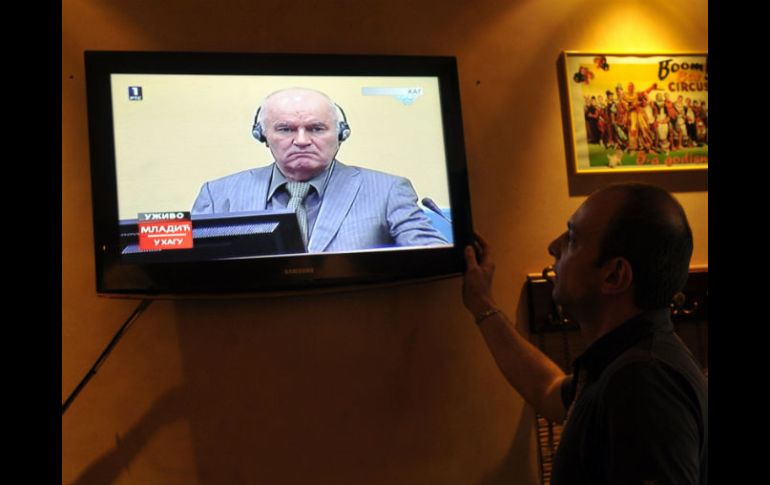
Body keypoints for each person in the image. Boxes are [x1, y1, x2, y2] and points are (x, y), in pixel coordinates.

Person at [462, 183, 707, 484]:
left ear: (614, 275)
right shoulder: (625, 358)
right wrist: (482, 305)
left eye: (572, 239)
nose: (554, 246)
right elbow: (548, 390)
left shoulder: (643, 384)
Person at [191, 87, 448, 253]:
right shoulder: (218, 194)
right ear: (262, 135)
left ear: (341, 134)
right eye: (286, 129)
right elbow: (184, 265)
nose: (302, 140)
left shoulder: (388, 190)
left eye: (316, 128)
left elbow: (432, 254)